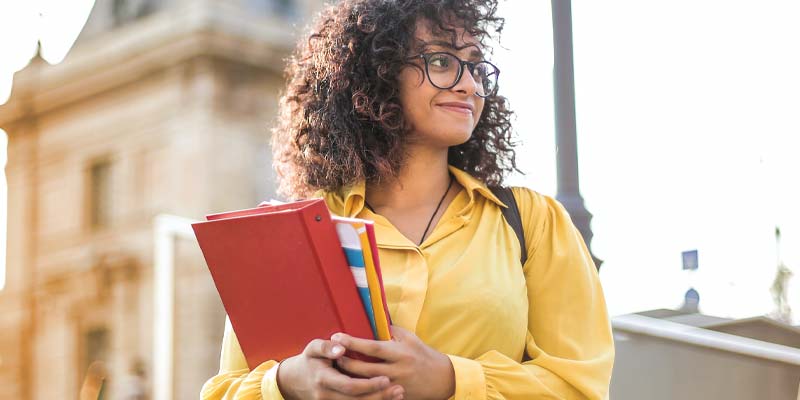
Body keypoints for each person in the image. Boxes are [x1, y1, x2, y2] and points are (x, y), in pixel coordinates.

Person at [201, 0, 614, 399]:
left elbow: (580, 386)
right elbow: (226, 390)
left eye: (476, 66)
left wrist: (452, 380)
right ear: (377, 74)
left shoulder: (532, 222)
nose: (469, 84)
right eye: (441, 62)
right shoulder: (296, 234)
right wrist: (288, 383)